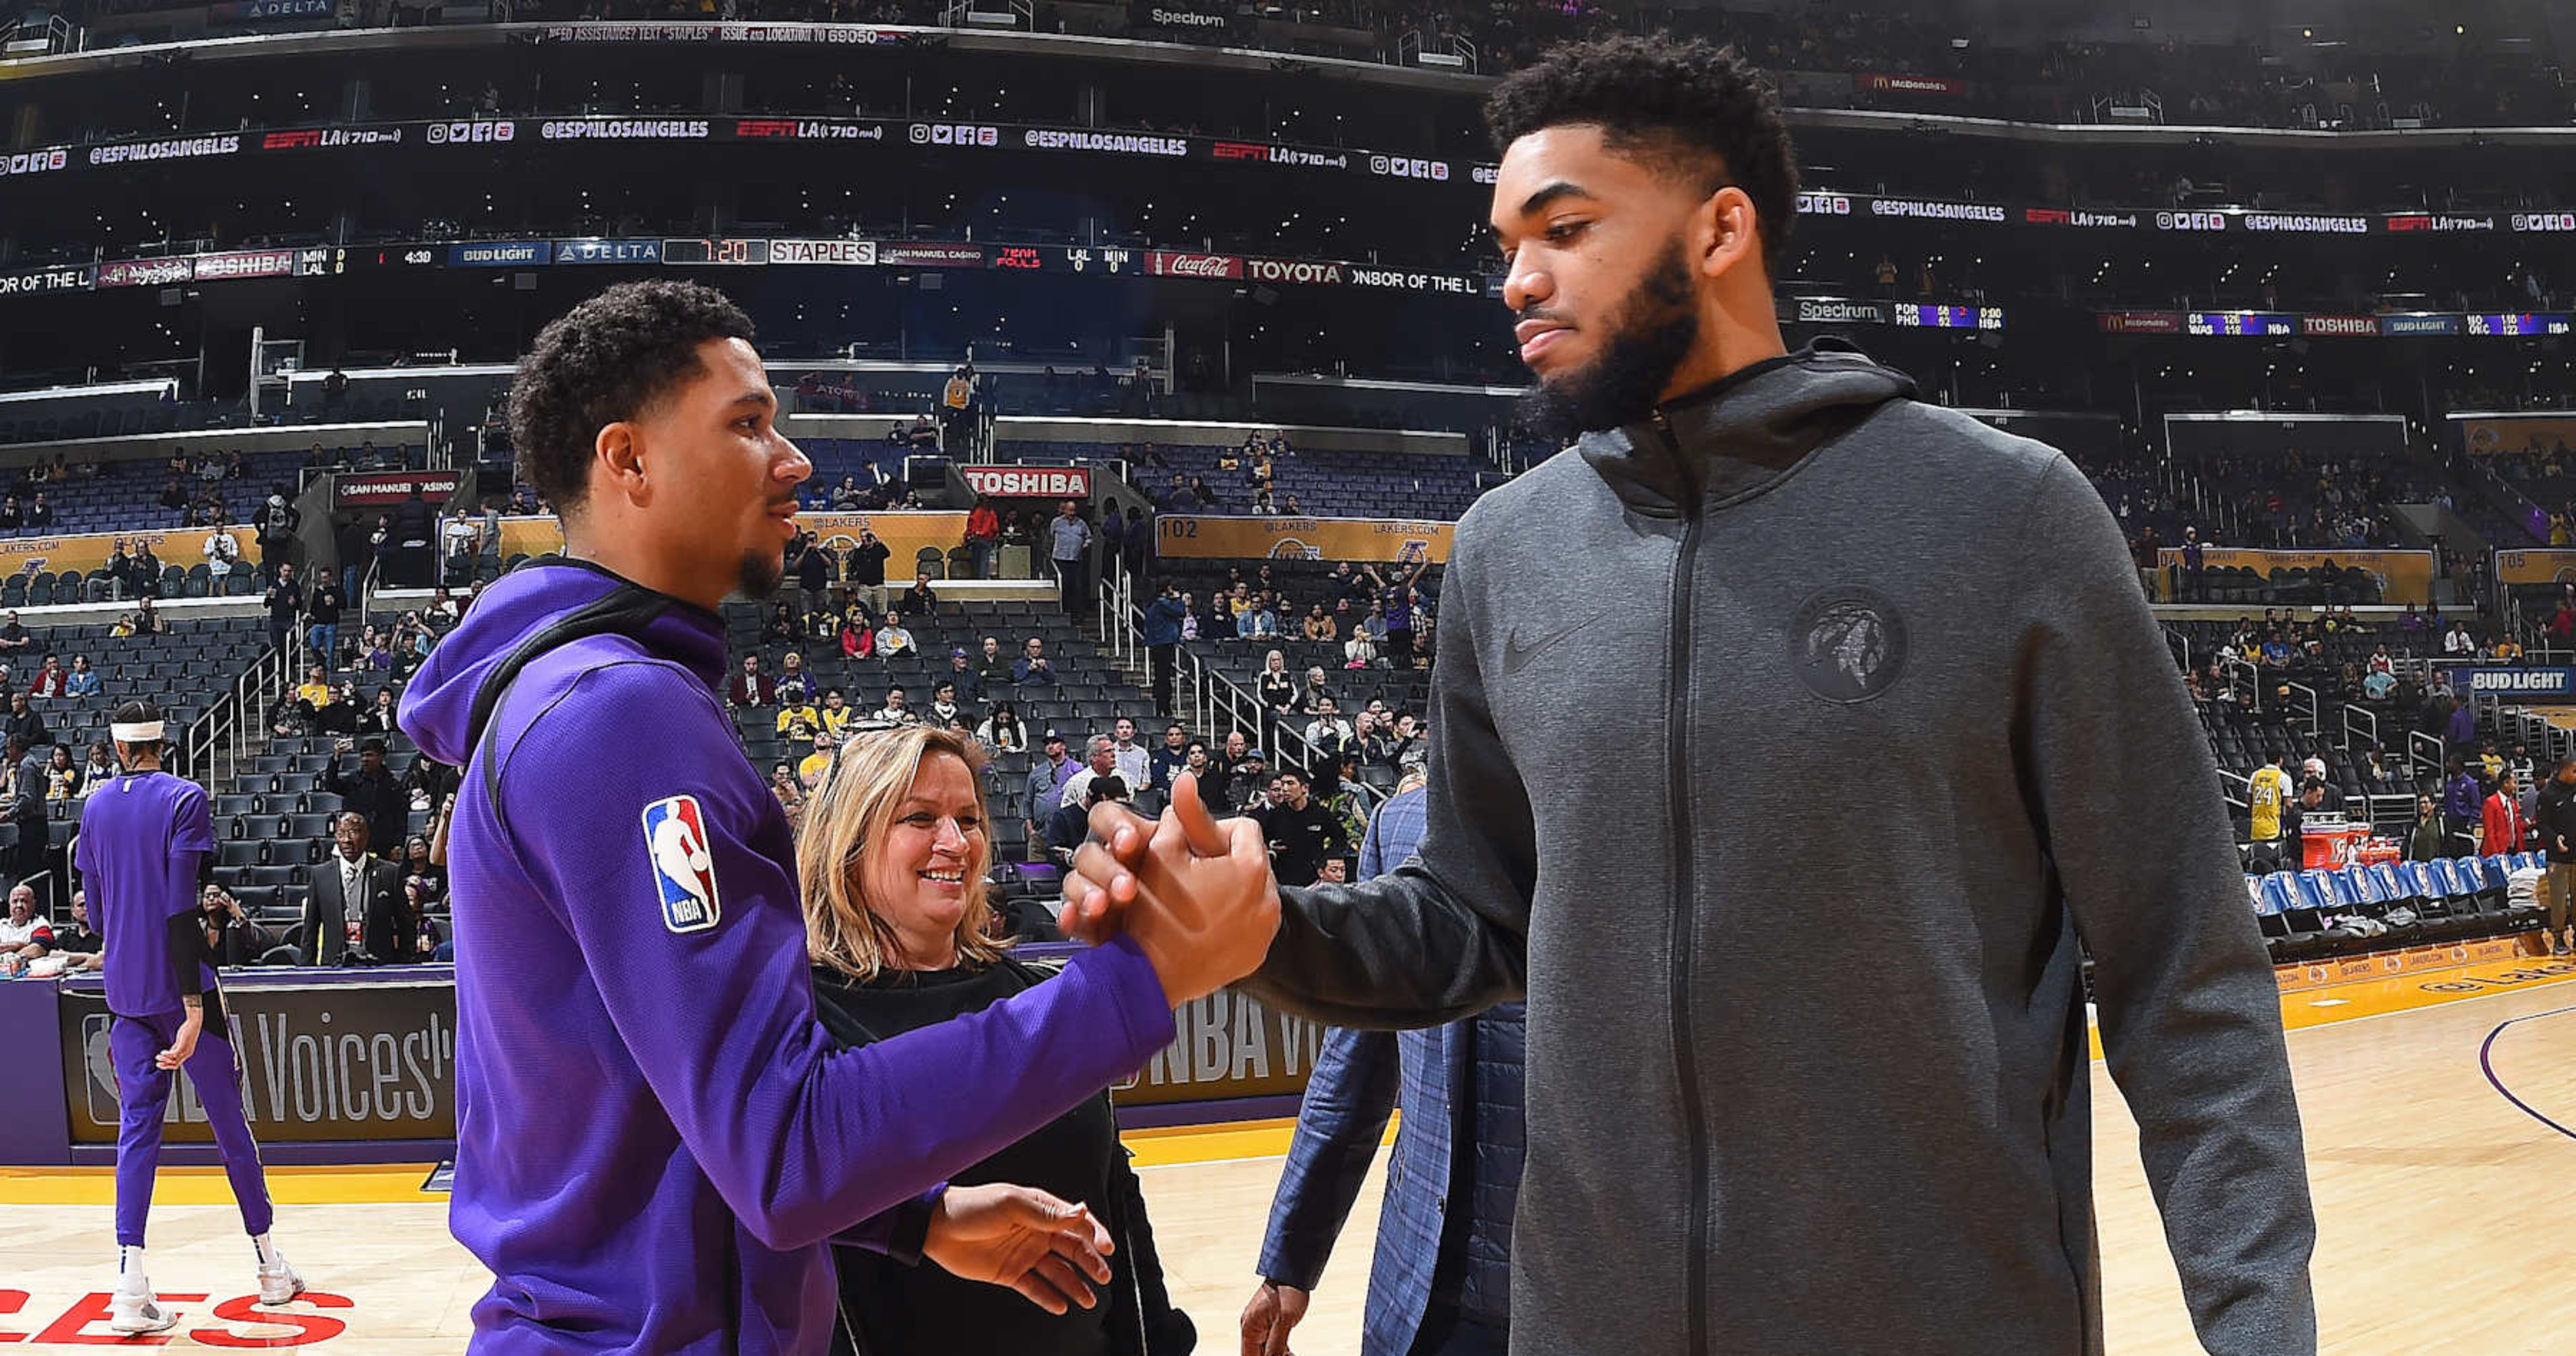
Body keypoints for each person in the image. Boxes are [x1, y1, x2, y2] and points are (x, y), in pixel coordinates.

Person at [1059, 37, 2314, 1356]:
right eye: (1503, 241)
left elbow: (2185, 972)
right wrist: (1273, 934)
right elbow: (1472, 924)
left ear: (1721, 229)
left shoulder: (2008, 517)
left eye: (1566, 227)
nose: (1518, 279)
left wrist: (2260, 1327)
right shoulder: (1505, 550)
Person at [396, 280, 1274, 1353]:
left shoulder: (571, 696)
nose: (795, 459)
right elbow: (785, 1148)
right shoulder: (621, 716)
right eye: (750, 424)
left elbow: (677, 1104)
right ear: (628, 461)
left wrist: (911, 1220)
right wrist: (1140, 980)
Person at [1247, 757, 1525, 1356]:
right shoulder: (1398, 826)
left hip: (1594, 1300)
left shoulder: (1652, 830)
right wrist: (1290, 1261)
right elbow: (1355, 1068)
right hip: (1420, 1294)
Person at [73, 698, 304, 1332]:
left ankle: (129, 1287)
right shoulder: (185, 798)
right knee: (231, 1128)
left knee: (135, 1135)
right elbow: (181, 908)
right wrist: (195, 1007)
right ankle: (269, 1267)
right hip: (181, 992)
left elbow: (91, 916)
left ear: (118, 748)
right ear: (161, 743)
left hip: (123, 997)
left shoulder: (93, 808)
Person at [300, 813, 407, 965]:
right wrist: (307, 973)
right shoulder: (320, 875)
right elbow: (310, 930)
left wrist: (403, 966)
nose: (347, 840)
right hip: (334, 967)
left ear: (366, 836)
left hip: (379, 967)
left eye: (354, 832)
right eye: (341, 834)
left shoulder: (390, 873)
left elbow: (405, 925)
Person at [324, 736, 406, 856]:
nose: (365, 759)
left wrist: (398, 845)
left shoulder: (394, 786)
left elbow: (401, 819)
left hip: (384, 845)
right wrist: (337, 757)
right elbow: (331, 785)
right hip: (356, 843)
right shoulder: (353, 780)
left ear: (382, 757)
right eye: (362, 756)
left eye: (369, 755)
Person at [2537, 757, 2576, 955]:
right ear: (2564, 771)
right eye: (2575, 771)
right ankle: (2559, 938)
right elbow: (2542, 824)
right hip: (2558, 858)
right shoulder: (2547, 794)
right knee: (2559, 901)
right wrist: (2555, 839)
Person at [1050, 499, 1092, 614]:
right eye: (1070, 511)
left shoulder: (1081, 523)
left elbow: (1089, 537)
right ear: (1065, 511)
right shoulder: (1056, 522)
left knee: (1077, 586)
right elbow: (1051, 537)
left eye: (1074, 511)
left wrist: (1085, 544)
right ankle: (1063, 610)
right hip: (1061, 559)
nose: (1072, 513)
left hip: (1076, 559)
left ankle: (1077, 613)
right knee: (1064, 585)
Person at [2482, 772, 2529, 856]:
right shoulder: (2491, 803)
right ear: (2506, 783)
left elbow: (2517, 826)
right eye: (2514, 782)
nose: (2516, 786)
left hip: (2514, 850)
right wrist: (2496, 856)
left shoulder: (2513, 803)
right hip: (2498, 851)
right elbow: (2489, 833)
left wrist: (2531, 825)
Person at [2249, 754, 2289, 849]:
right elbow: (2288, 804)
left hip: (2256, 827)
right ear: (2280, 760)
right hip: (2274, 827)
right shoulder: (2283, 777)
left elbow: (2248, 798)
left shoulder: (2255, 775)